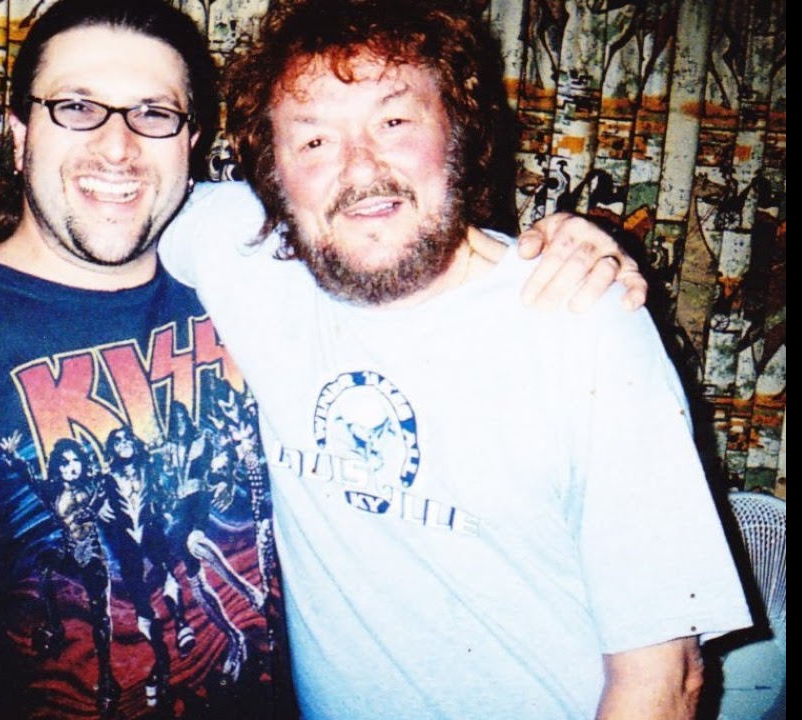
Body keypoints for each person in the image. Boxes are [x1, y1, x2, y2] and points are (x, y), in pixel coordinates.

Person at [0, 1, 646, 718]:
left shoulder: (247, 265)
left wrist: (565, 247)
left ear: (192, 143)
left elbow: (392, 223)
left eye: (153, 114)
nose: (117, 147)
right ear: (19, 133)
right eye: (76, 108)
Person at [151, 0, 753, 718]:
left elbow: (664, 680)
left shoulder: (580, 314)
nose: (360, 169)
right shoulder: (243, 252)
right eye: (313, 140)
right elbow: (78, 208)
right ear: (272, 174)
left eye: (394, 123)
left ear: (459, 132)